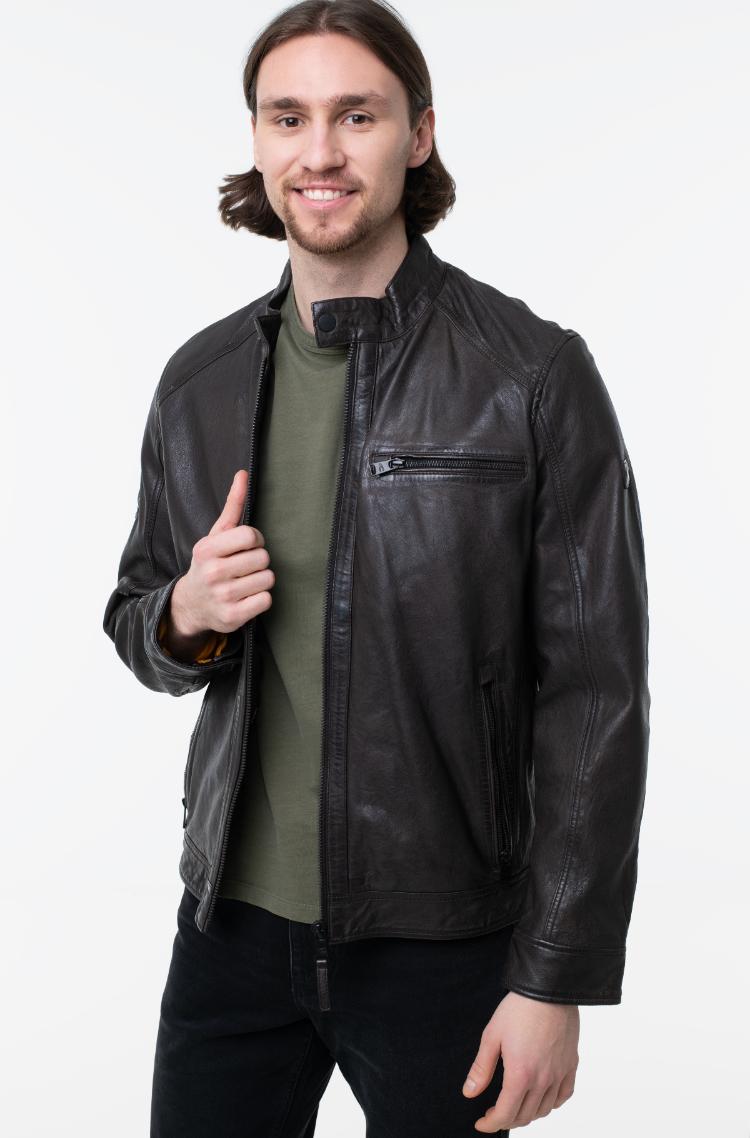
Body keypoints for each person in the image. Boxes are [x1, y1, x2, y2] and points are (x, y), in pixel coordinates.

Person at [102, 1, 650, 1134]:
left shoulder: (531, 375)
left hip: (446, 940)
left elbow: (597, 695)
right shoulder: (201, 379)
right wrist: (184, 614)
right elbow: (138, 619)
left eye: (357, 115)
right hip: (229, 931)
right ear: (258, 140)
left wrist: (554, 975)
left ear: (419, 133)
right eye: (288, 117)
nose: (320, 151)